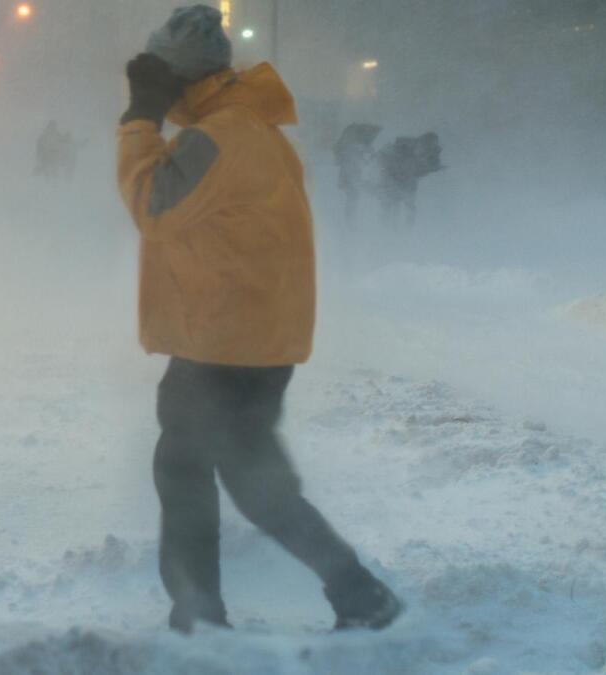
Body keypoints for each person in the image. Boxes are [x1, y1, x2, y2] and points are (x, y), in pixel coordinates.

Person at [116, 5, 402, 634]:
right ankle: (356, 593)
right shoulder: (246, 127)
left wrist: (139, 120)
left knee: (189, 472)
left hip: (222, 342)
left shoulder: (218, 137)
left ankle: (200, 615)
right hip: (249, 337)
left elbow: (153, 206)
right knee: (250, 480)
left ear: (177, 77)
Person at [378, 132, 442, 227]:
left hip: (402, 186)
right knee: (406, 206)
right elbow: (420, 170)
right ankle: (404, 226)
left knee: (399, 206)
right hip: (405, 186)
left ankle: (397, 226)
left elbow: (388, 169)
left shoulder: (400, 158)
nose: (403, 150)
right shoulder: (411, 158)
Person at [333, 122, 381, 224]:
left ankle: (350, 220)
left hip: (349, 176)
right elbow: (357, 161)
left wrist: (367, 154)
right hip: (350, 177)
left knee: (353, 197)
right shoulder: (352, 148)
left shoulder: (349, 146)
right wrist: (367, 157)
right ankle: (350, 221)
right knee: (353, 197)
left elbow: (357, 160)